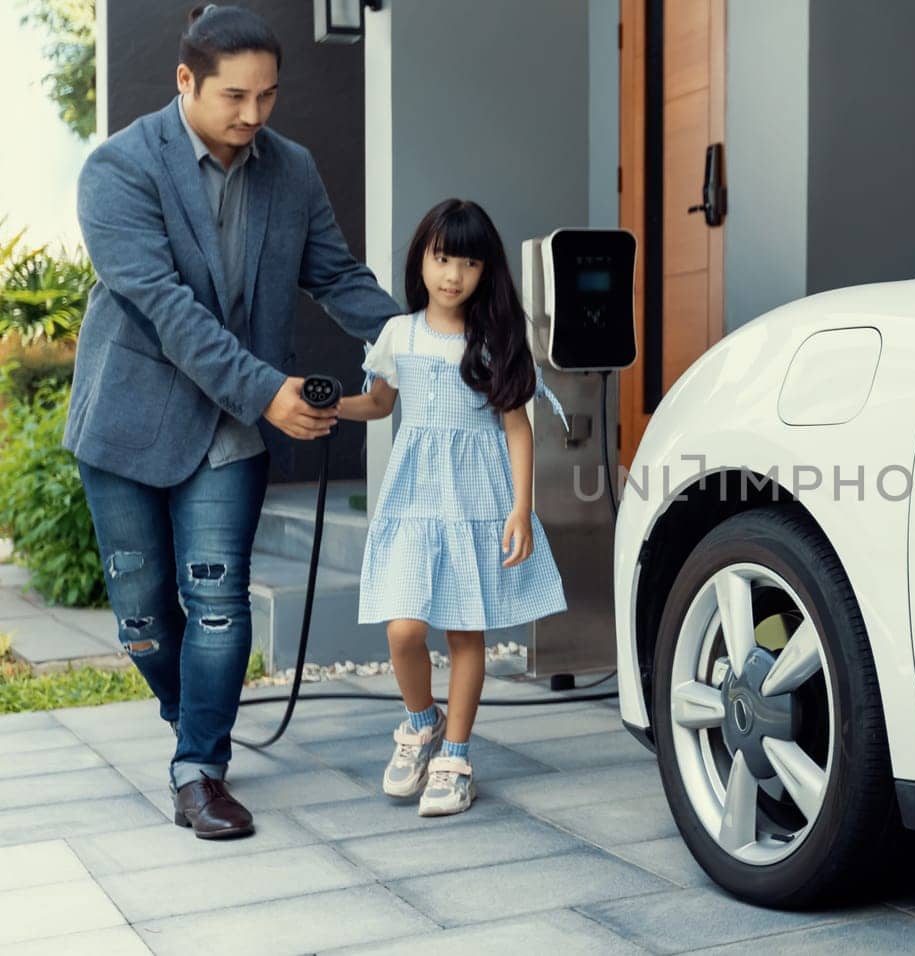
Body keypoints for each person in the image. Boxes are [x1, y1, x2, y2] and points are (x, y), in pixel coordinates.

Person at [66, 5, 403, 839]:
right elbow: (164, 310)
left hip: (229, 428)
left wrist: (420, 344)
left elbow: (336, 275)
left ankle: (198, 768)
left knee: (216, 602)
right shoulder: (116, 171)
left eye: (268, 96)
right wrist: (267, 391)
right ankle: (194, 725)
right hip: (130, 420)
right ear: (185, 81)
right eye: (234, 98)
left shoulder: (291, 169)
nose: (253, 116)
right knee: (144, 617)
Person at [337, 199, 567, 817]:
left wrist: (521, 509)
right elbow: (380, 404)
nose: (453, 275)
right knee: (404, 627)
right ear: (423, 258)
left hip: (478, 498)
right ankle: (421, 723)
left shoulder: (493, 341)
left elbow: (517, 429)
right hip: (415, 496)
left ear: (485, 271)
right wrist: (331, 404)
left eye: (468, 262)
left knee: (468, 632)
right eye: (443, 258)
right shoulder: (399, 334)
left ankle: (456, 757)